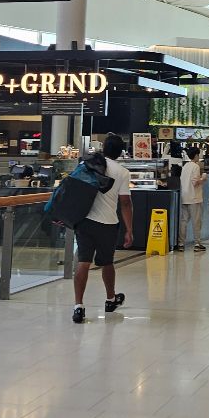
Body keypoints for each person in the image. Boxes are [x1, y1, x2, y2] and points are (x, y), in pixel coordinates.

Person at [72, 134, 134, 324]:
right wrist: (129, 230)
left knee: (83, 262)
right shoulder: (122, 172)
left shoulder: (87, 164)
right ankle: (110, 299)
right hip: (108, 224)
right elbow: (125, 203)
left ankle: (78, 306)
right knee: (107, 262)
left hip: (85, 221)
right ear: (120, 152)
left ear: (103, 148)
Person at [176, 146, 207, 252]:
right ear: (196, 155)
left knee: (184, 221)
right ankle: (197, 243)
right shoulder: (195, 166)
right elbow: (195, 182)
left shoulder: (185, 166)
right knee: (196, 221)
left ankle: (181, 243)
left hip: (185, 196)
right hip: (194, 197)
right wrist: (203, 178)